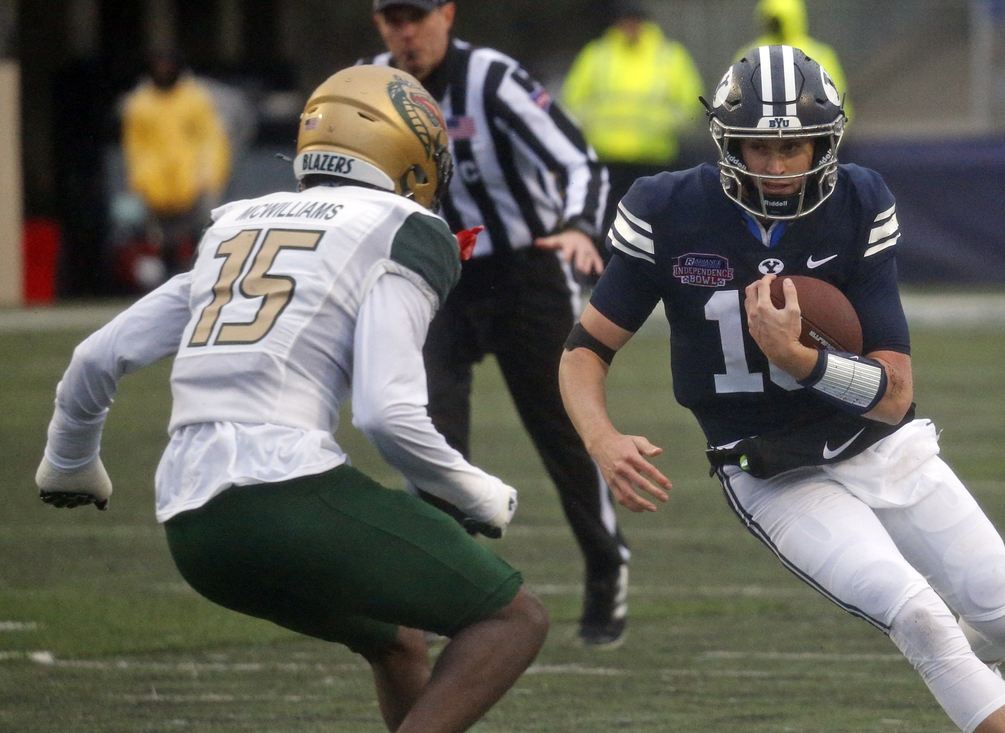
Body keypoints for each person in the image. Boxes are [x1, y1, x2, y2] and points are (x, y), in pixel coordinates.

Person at [36, 64, 548, 733]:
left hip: (191, 527)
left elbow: (97, 356)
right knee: (513, 619)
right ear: (407, 151)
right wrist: (471, 489)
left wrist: (71, 460)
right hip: (282, 491)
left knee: (397, 638)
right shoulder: (401, 225)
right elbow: (384, 411)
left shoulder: (237, 222)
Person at [558, 46, 1005, 733]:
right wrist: (600, 438)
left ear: (826, 139)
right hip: (771, 464)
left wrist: (801, 358)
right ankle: (961, 677)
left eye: (796, 145)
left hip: (876, 440)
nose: (780, 165)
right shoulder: (666, 209)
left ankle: (965, 678)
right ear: (728, 142)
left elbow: (895, 394)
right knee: (919, 615)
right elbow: (584, 352)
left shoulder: (859, 198)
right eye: (760, 148)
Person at [368, 0, 631, 648]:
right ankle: (445, 583)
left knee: (563, 429)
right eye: (392, 18)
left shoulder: (491, 77)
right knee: (424, 432)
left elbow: (579, 159)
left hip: (525, 271)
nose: (407, 32)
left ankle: (606, 561)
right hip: (433, 276)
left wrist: (577, 226)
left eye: (417, 16)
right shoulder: (368, 86)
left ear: (447, 13)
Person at [560, 1, 704, 244]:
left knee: (654, 221)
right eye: (625, 20)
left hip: (653, 158)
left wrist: (662, 125)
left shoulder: (669, 56)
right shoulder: (597, 55)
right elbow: (571, 100)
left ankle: (651, 273)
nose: (630, 26)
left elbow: (690, 103)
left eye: (635, 20)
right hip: (608, 157)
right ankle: (605, 270)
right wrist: (592, 124)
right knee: (608, 220)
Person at [120, 51, 232, 283]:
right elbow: (134, 146)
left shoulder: (195, 99)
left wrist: (210, 173)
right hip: (157, 184)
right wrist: (139, 177)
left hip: (192, 180)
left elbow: (210, 138)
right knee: (163, 239)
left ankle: (202, 278)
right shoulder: (140, 104)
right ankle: (168, 282)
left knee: (199, 233)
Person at [734, 0, 851, 118]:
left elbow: (836, 99)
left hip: (803, 126)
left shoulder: (749, 54)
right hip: (808, 128)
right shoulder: (818, 53)